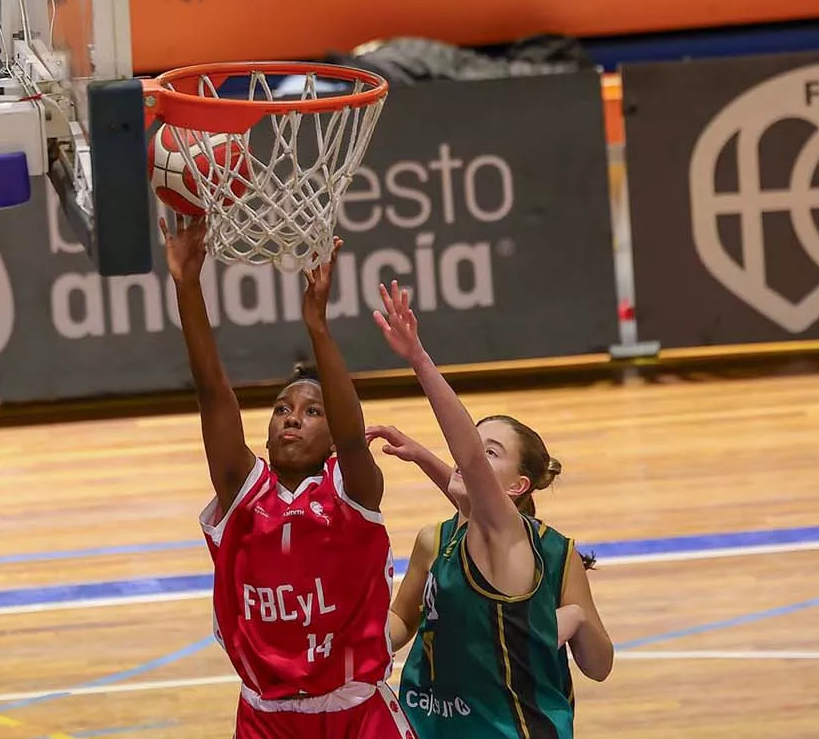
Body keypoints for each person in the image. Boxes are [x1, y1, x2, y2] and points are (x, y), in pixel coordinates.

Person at [161, 221, 416, 738]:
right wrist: (187, 285)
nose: (291, 417)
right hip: (266, 719)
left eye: (312, 411)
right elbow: (213, 395)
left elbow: (351, 437)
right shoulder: (242, 494)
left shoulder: (352, 494)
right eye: (281, 409)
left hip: (356, 715)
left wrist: (317, 325)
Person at [369, 280, 613, 738]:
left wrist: (419, 360)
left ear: (519, 485)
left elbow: (599, 667)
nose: (472, 459)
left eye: (490, 454)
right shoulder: (436, 539)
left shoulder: (532, 548)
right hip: (424, 727)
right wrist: (361, 648)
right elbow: (404, 615)